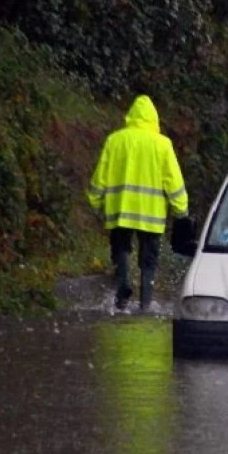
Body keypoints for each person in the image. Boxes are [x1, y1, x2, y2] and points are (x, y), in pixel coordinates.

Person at [87, 95, 189, 313]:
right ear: (154, 119)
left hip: (120, 209)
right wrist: (181, 210)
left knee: (121, 248)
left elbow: (100, 176)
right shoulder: (162, 144)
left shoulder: (115, 140)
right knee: (149, 260)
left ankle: (124, 283)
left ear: (130, 116)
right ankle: (145, 302)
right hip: (151, 214)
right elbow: (173, 181)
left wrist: (94, 201)